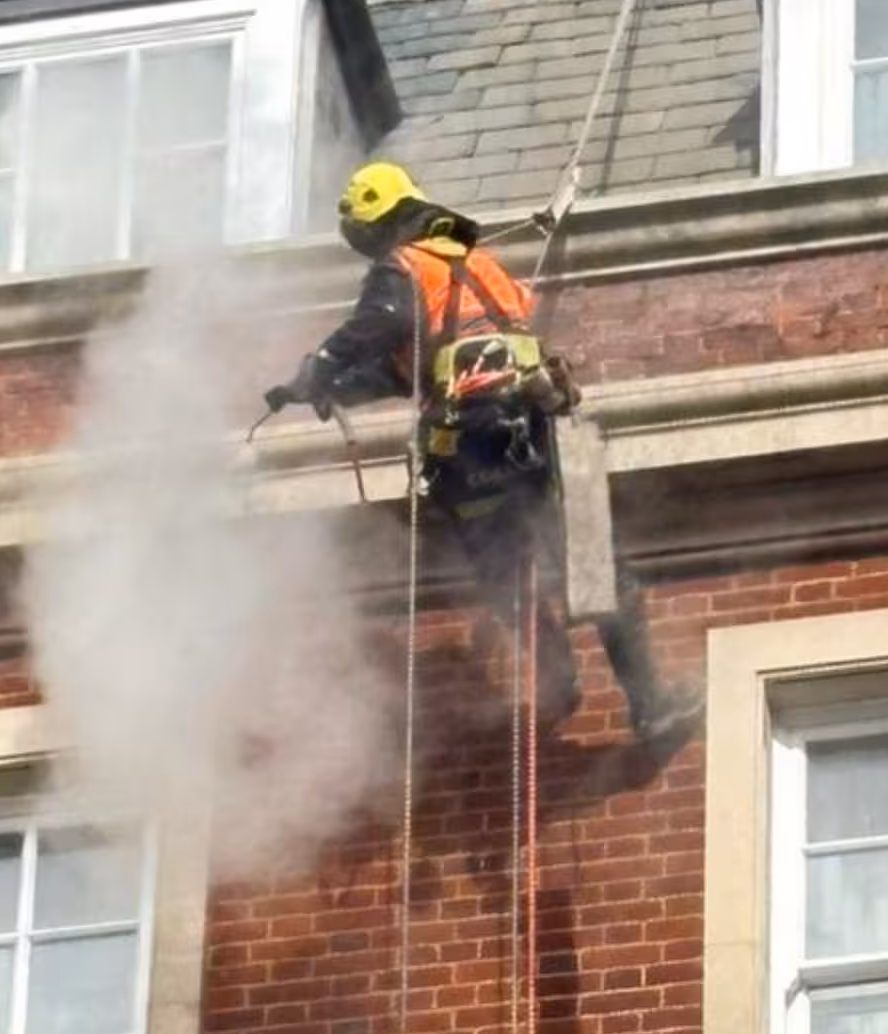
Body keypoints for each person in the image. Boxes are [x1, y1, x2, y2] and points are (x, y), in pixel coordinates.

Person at [265, 161, 701, 754]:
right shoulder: (483, 273)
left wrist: (318, 367)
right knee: (591, 566)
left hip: (469, 447)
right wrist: (328, 388)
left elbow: (380, 323)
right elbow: (407, 367)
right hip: (528, 434)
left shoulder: (405, 269)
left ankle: (559, 675)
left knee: (505, 569)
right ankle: (646, 702)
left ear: (386, 225)